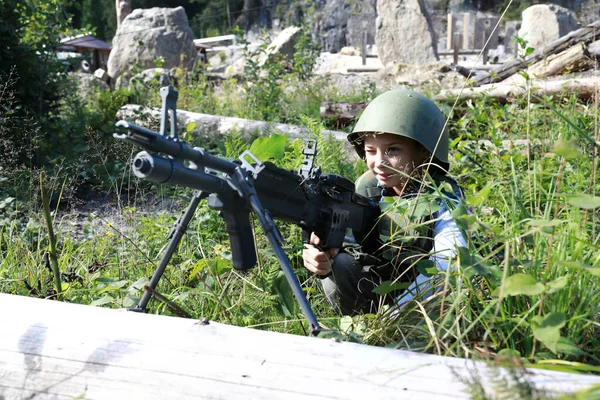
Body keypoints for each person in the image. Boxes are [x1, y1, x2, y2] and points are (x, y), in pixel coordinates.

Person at [302, 88, 467, 316]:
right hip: (381, 286)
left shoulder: (442, 195)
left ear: (424, 152)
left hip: (429, 299)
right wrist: (321, 255)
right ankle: (359, 330)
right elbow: (347, 245)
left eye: (393, 150)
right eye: (371, 151)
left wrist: (395, 317)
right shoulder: (368, 188)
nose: (379, 163)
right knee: (338, 266)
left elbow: (448, 264)